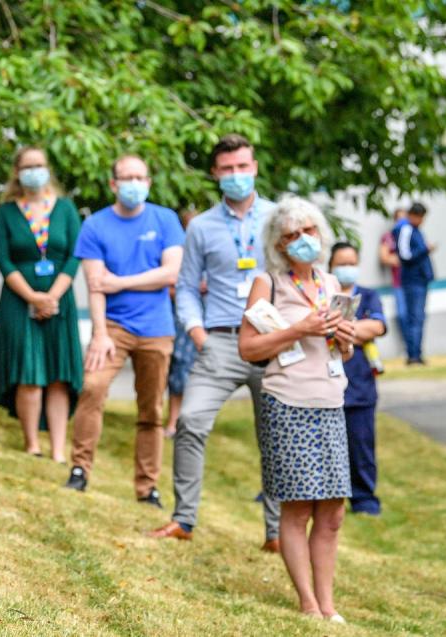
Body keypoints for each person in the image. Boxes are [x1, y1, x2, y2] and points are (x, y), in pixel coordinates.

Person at [150, 134, 282, 550]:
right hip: (221, 340)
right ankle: (183, 519)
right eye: (227, 169)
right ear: (215, 174)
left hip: (271, 339)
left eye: (242, 167)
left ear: (255, 167)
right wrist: (196, 331)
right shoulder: (203, 225)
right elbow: (186, 285)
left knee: (276, 434)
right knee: (189, 421)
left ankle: (278, 533)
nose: (236, 176)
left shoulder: (279, 219)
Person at [238, 197, 356, 622]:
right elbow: (249, 348)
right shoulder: (268, 283)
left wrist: (345, 338)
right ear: (278, 244)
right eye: (291, 235)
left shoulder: (332, 283)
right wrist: (297, 329)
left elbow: (344, 351)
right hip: (287, 403)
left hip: (330, 402)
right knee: (299, 506)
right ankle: (307, 603)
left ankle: (329, 605)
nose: (302, 240)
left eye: (309, 231)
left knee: (333, 511)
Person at [63, 154, 184, 507]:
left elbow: (170, 274)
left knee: (151, 410)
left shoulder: (165, 219)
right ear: (114, 184)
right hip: (112, 327)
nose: (134, 183)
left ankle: (147, 487)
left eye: (140, 177)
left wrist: (121, 282)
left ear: (148, 182)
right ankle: (79, 470)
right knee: (93, 388)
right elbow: (95, 285)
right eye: (126, 177)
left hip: (157, 329)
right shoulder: (96, 226)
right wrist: (99, 333)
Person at [0, 146, 83, 463]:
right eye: (28, 166)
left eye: (40, 165)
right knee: (29, 372)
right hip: (19, 302)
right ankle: (32, 444)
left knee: (58, 373)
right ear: (17, 172)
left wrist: (53, 296)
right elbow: (4, 260)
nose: (34, 171)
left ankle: (59, 448)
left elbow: (74, 256)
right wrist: (33, 297)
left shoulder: (67, 209)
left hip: (61, 301)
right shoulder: (6, 213)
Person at [329, 241, 387, 515]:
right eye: (341, 263)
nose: (347, 268)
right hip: (326, 381)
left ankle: (364, 499)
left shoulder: (368, 295)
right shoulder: (324, 294)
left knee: (361, 444)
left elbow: (377, 326)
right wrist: (356, 330)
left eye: (351, 263)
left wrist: (338, 328)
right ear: (330, 265)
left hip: (360, 381)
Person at [166, 208, 201, 438]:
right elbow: (170, 285)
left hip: (203, 318)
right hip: (178, 318)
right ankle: (172, 421)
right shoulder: (176, 253)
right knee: (177, 367)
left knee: (193, 370)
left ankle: (188, 422)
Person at [394, 202, 435, 365]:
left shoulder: (414, 230)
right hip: (413, 281)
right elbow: (405, 255)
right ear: (413, 215)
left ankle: (417, 354)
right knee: (415, 317)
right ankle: (413, 356)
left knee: (419, 317)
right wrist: (425, 249)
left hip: (420, 280)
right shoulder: (405, 229)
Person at [378, 208, 406, 344]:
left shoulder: (410, 234)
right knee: (402, 314)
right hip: (398, 282)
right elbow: (384, 257)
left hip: (413, 282)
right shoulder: (389, 236)